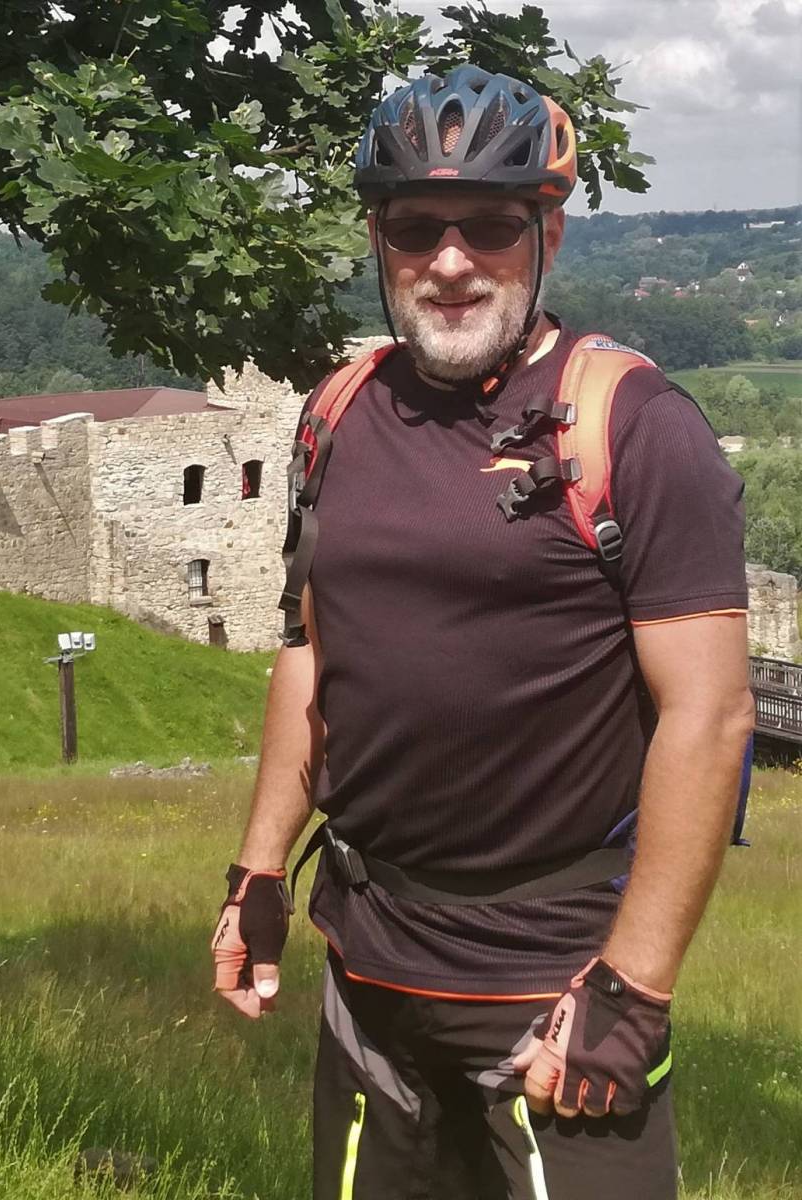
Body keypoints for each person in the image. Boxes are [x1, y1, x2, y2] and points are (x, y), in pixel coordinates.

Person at [211, 65, 754, 1198]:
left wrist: (633, 987)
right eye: (415, 227)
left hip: (557, 987)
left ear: (545, 232)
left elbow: (708, 716)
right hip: (370, 969)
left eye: (490, 226)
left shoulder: (633, 426)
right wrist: (257, 869)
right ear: (378, 238)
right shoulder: (337, 413)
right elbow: (312, 653)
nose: (450, 261)